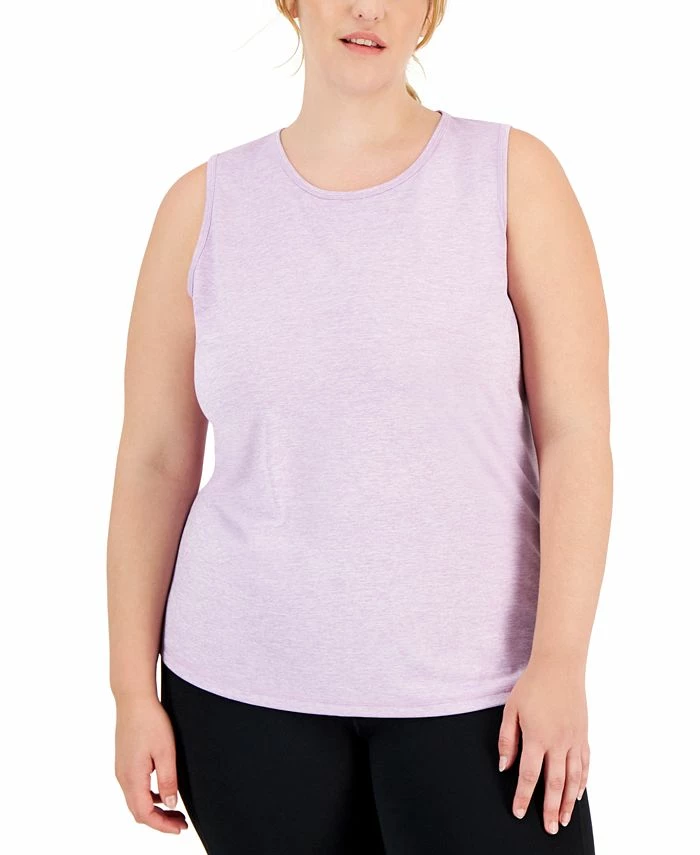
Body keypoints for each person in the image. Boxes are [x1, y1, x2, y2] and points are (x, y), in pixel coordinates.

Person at [107, 1, 610, 852]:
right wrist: (130, 688)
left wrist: (561, 659)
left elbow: (575, 436)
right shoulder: (202, 207)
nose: (369, 7)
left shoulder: (513, 177)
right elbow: (155, 460)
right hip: (239, 695)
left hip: (480, 694)